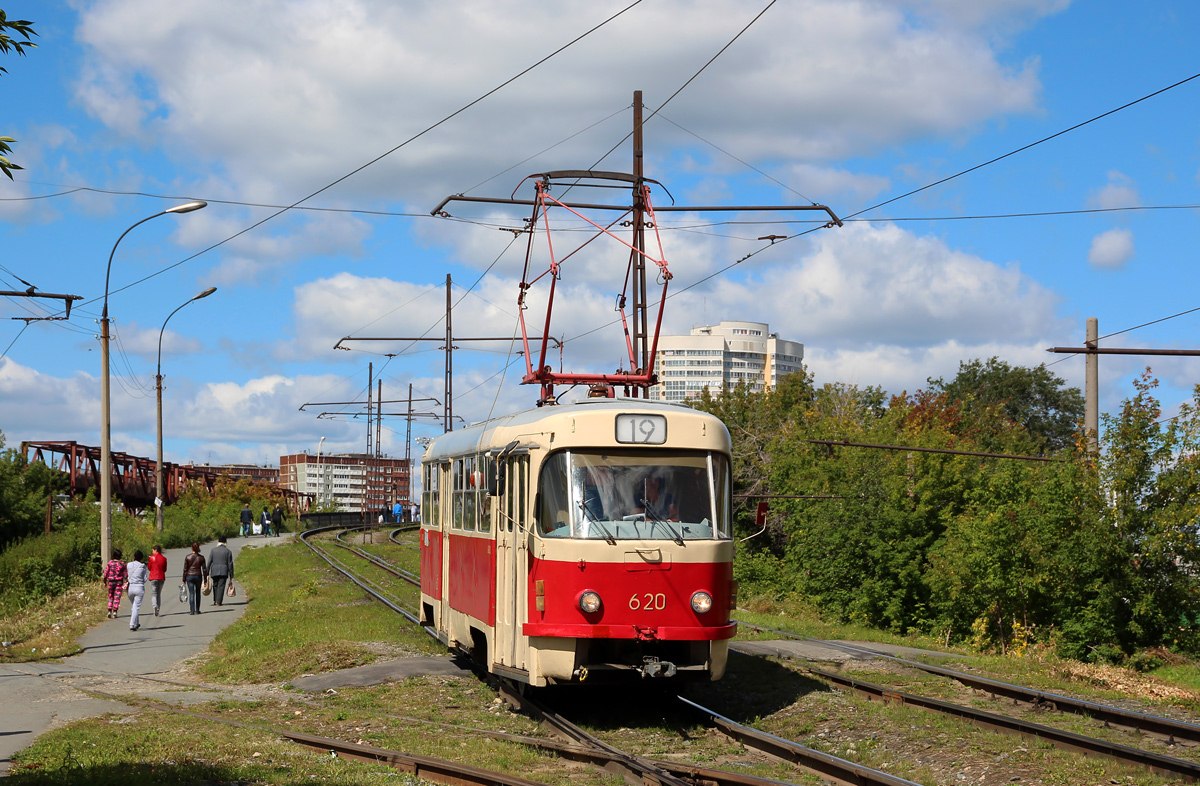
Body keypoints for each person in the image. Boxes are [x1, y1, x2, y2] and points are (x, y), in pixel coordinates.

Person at [182, 542, 208, 615]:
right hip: (198, 576)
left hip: (189, 576)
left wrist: (184, 579)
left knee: (191, 593)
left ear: (192, 548)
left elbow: (185, 569)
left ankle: (191, 610)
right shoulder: (201, 558)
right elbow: (204, 570)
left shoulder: (188, 557)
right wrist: (205, 580)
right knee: (198, 593)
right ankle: (197, 610)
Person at [208, 535, 234, 605]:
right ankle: (218, 601)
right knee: (221, 586)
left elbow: (209, 561)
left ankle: (215, 600)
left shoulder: (213, 550)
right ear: (225, 542)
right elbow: (230, 564)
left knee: (215, 585)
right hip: (224, 571)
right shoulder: (228, 551)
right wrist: (231, 574)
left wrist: (206, 572)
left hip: (214, 570)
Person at [125, 550, 148, 631]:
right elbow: (145, 579)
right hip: (139, 587)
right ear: (141, 558)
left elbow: (127, 575)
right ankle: (132, 624)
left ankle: (137, 622)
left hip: (130, 588)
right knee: (136, 607)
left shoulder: (128, 565)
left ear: (134, 557)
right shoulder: (143, 566)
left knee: (134, 606)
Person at [102, 548, 127, 619]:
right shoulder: (122, 564)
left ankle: (109, 610)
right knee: (117, 597)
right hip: (119, 582)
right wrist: (126, 581)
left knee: (111, 596)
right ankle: (115, 611)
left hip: (111, 582)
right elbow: (125, 574)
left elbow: (106, 572)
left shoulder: (110, 563)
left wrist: (104, 581)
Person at [147, 545, 167, 616]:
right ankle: (158, 609)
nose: (152, 551)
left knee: (154, 593)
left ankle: (154, 605)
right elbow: (164, 569)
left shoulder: (151, 558)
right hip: (161, 577)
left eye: (152, 550)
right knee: (158, 594)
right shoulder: (164, 558)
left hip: (153, 577)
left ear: (155, 550)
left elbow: (149, 568)